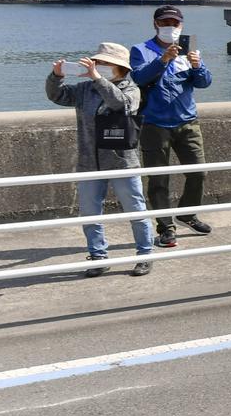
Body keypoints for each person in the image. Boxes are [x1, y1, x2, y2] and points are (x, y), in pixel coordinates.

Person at [46, 42, 154, 277]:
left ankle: (146, 254)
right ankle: (98, 256)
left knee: (135, 209)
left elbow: (120, 104)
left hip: (122, 162)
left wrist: (98, 78)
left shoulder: (131, 89)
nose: (101, 67)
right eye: (99, 63)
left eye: (107, 64)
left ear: (121, 68)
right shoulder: (85, 89)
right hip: (89, 161)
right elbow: (58, 96)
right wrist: (56, 76)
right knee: (90, 212)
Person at [129, 6, 213, 249]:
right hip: (154, 124)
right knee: (158, 180)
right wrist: (162, 60)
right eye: (165, 22)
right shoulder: (141, 50)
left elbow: (204, 83)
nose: (170, 27)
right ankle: (166, 228)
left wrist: (198, 66)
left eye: (174, 23)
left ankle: (187, 214)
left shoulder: (189, 50)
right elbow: (138, 78)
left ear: (181, 26)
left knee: (199, 172)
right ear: (155, 24)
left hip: (187, 121)